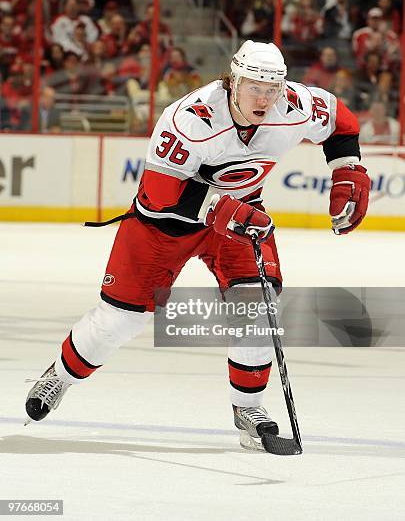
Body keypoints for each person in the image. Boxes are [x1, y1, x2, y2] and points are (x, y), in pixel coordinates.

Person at [25, 41, 370, 452]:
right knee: (122, 320)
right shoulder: (192, 117)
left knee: (258, 306)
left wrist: (347, 169)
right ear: (233, 80)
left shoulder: (292, 104)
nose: (264, 98)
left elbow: (341, 121)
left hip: (237, 215)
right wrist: (225, 211)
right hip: (163, 226)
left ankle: (248, 408)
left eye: (271, 88)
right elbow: (159, 192)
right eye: (254, 87)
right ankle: (59, 377)